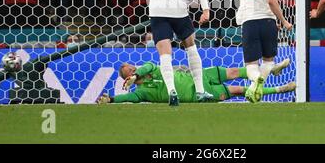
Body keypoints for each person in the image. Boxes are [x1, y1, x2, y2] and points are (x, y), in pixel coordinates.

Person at [235, 0, 293, 103]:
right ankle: (257, 86)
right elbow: (270, 0)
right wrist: (283, 21)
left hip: (249, 21)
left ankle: (256, 80)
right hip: (267, 22)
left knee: (251, 65)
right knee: (268, 61)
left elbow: (243, 0)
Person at [96, 60, 295, 104]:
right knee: (240, 90)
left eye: (132, 68)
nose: (133, 70)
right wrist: (112, 100)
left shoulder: (153, 68)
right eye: (129, 72)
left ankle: (269, 68)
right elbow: (131, 97)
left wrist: (136, 74)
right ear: (127, 79)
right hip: (199, 95)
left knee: (235, 72)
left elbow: (146, 66)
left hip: (199, 76)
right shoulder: (143, 92)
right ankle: (281, 88)